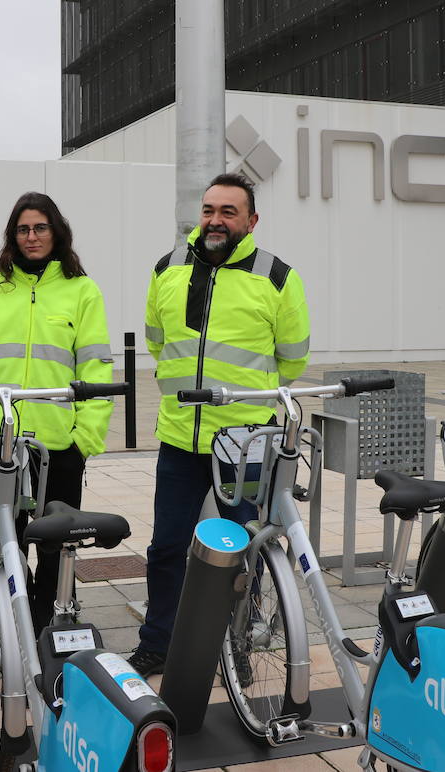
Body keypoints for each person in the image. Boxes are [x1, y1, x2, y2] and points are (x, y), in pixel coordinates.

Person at [127, 172, 310, 676]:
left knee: (244, 549)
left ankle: (239, 647)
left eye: (229, 212)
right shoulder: (167, 268)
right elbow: (157, 341)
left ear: (251, 221)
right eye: (209, 210)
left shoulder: (277, 277)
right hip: (179, 436)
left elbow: (292, 358)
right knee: (167, 548)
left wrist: (245, 397)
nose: (216, 220)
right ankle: (157, 643)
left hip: (245, 441)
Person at [0, 192, 113, 631]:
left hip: (59, 446)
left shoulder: (82, 290)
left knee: (56, 552)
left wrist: (84, 439)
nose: (32, 237)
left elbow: (96, 370)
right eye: (23, 229)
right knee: (6, 546)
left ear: (56, 232)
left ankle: (50, 634)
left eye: (40, 228)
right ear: (12, 236)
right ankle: (9, 636)